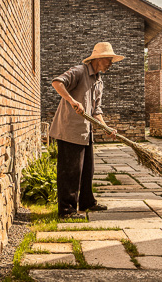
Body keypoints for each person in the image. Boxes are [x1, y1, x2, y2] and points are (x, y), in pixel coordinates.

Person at [49, 41, 123, 218]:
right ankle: (66, 211)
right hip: (69, 130)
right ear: (98, 58)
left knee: (87, 170)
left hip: (85, 132)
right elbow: (57, 83)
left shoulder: (98, 81)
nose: (110, 64)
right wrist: (72, 101)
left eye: (111, 60)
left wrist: (106, 127)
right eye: (108, 60)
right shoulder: (79, 71)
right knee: (70, 172)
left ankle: (87, 202)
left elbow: (96, 110)